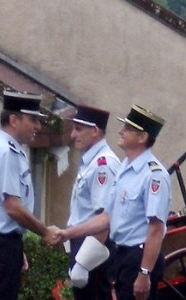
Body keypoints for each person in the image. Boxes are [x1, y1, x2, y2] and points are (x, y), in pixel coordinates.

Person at [59, 104, 171, 300]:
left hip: (138, 256)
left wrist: (144, 273)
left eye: (127, 129)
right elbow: (106, 217)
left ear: (142, 137)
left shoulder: (154, 175)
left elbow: (155, 229)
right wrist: (67, 234)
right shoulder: (125, 168)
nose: (120, 131)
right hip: (122, 256)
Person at [0, 90, 60, 300]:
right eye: (33, 120)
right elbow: (12, 207)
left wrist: (16, 245)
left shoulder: (11, 150)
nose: (38, 126)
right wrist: (44, 231)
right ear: (13, 119)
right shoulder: (5, 152)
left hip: (2, 243)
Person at [66, 104, 120, 300]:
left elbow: (103, 221)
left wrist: (83, 263)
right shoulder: (91, 161)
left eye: (78, 129)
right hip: (82, 244)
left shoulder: (103, 165)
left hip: (93, 249)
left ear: (95, 131)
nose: (73, 135)